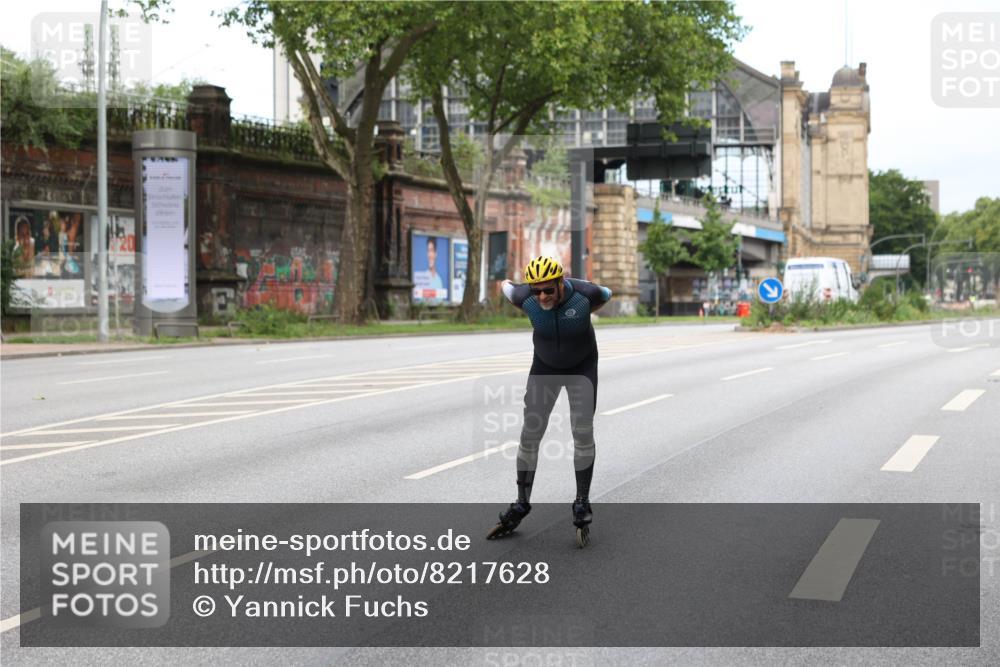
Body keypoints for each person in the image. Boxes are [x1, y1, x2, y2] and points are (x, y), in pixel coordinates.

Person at [487, 255, 612, 547]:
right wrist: (515, 285)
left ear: (560, 282)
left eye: (548, 290)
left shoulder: (585, 294)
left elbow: (606, 294)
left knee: (582, 432)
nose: (542, 296)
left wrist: (584, 311)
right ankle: (521, 502)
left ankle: (582, 501)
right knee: (530, 435)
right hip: (544, 367)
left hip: (582, 367)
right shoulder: (522, 296)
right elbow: (505, 285)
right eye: (536, 291)